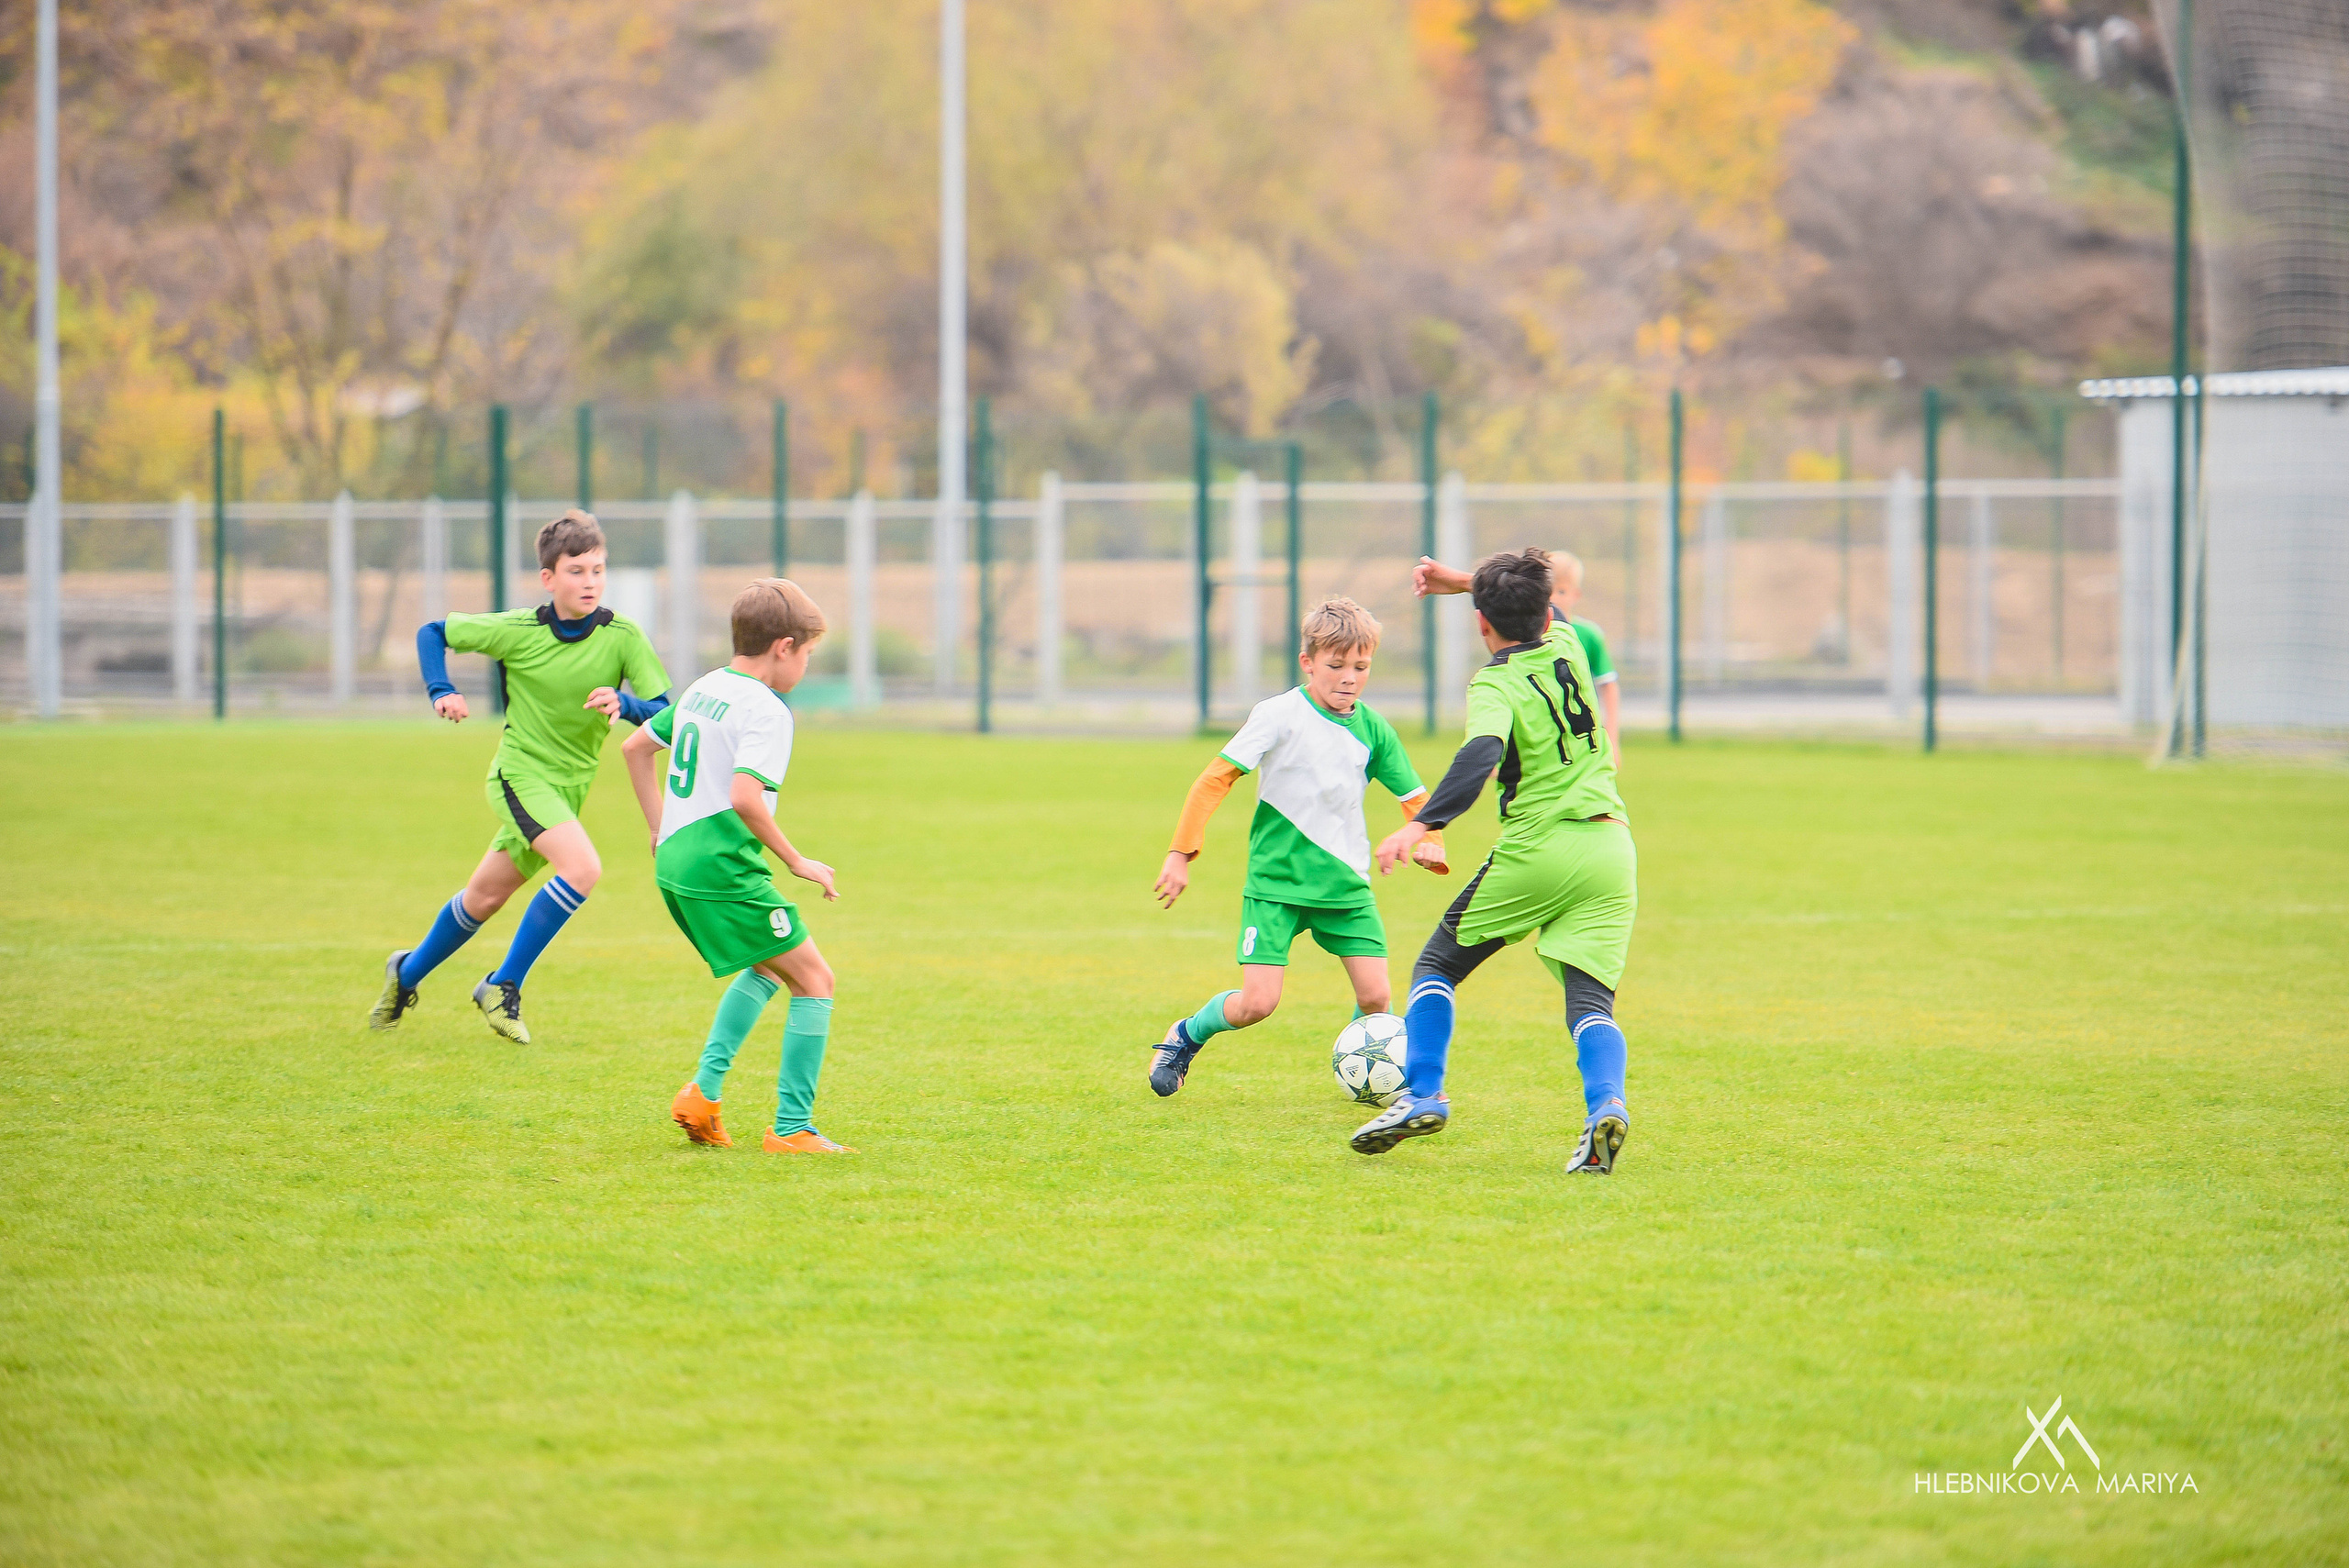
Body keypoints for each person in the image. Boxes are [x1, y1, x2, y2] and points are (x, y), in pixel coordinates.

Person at [1356, 548, 1637, 1173]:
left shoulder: (1494, 683)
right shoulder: (1568, 641)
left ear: (1482, 622)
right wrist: (1465, 582)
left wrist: (1422, 824)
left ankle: (1423, 1094)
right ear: (1545, 608)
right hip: (1612, 847)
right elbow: (1544, 605)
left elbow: (1480, 756)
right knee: (1590, 1002)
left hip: (1540, 846)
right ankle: (1605, 1106)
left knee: (1436, 964)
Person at [368, 509, 669, 1043]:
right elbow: (432, 632)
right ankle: (503, 985)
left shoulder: (623, 636)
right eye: (576, 570)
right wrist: (442, 690)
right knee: (582, 869)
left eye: (598, 569)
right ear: (548, 578)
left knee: (483, 899)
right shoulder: (518, 631)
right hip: (520, 775)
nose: (591, 581)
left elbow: (665, 711)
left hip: (568, 790)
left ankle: (404, 974)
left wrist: (624, 702)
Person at [1146, 597, 1449, 1096]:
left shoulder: (1375, 730)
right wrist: (1181, 853)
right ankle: (1185, 1035)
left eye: (1360, 666)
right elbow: (1213, 780)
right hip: (1276, 887)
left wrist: (1430, 838)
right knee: (1256, 1004)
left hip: (1345, 886)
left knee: (1377, 997)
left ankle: (1372, 1076)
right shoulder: (1277, 715)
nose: (1348, 677)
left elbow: (1415, 797)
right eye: (1335, 666)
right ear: (1308, 662)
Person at [621, 579, 851, 1154]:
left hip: (678, 862)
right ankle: (793, 1129)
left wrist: (659, 826)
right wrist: (798, 861)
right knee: (815, 978)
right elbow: (747, 796)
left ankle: (703, 1096)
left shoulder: (706, 688)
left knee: (771, 967)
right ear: (783, 646)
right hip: (720, 866)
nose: (805, 666)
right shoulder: (767, 709)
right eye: (807, 654)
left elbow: (636, 748)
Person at [1413, 550, 1619, 751]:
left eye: (1561, 591)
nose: (1554, 598)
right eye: (1550, 590)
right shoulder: (1541, 634)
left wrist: (1612, 736)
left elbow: (1608, 684)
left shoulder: (1582, 636)